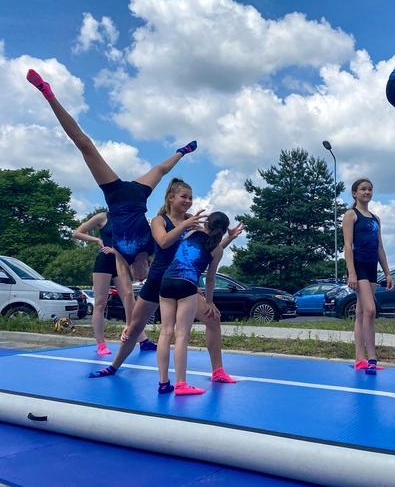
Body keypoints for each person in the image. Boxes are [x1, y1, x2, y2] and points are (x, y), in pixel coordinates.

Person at [26, 69, 196, 330]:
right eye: (145, 276)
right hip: (139, 196)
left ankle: (47, 94)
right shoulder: (153, 246)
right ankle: (182, 151)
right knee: (161, 170)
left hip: (116, 196)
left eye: (139, 278)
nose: (141, 277)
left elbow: (128, 292)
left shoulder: (122, 258)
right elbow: (169, 231)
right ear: (148, 267)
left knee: (84, 145)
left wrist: (132, 327)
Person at [89, 179, 239, 385]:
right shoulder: (160, 220)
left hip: (182, 281)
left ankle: (218, 371)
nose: (188, 201)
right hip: (157, 280)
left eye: (190, 198)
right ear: (170, 197)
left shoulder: (193, 222)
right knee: (134, 328)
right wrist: (186, 225)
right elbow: (163, 241)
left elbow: (209, 249)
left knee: (213, 320)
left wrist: (227, 238)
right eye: (184, 197)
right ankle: (113, 366)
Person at [157, 212, 243, 396]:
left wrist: (228, 237)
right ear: (222, 229)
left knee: (166, 332)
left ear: (207, 223)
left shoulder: (190, 232)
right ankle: (182, 383)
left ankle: (164, 383)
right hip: (187, 285)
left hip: (167, 281)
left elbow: (205, 248)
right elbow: (211, 272)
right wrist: (209, 301)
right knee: (183, 334)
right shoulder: (215, 247)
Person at [73, 212, 153, 355]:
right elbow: (77, 233)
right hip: (104, 261)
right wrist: (97, 240)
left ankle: (142, 340)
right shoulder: (103, 217)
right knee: (100, 303)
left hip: (120, 261)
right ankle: (101, 345)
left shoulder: (129, 218)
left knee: (130, 300)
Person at [342, 179, 393, 375]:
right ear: (354, 193)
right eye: (363, 189)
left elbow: (380, 247)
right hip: (359, 266)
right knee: (370, 310)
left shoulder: (375, 219)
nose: (367, 192)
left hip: (372, 267)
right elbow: (347, 246)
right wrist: (351, 272)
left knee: (362, 313)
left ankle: (359, 359)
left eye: (370, 189)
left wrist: (387, 272)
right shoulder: (351, 215)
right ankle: (371, 358)